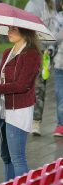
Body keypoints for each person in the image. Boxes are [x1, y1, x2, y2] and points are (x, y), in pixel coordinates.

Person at [0, 27, 41, 181]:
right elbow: (3, 83)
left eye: (13, 30)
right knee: (6, 157)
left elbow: (22, 85)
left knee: (17, 158)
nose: (8, 32)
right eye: (8, 29)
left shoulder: (31, 55)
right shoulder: (8, 52)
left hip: (19, 111)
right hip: (4, 110)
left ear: (25, 31)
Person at [25, 0, 56, 136]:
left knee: (40, 86)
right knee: (26, 85)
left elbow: (55, 28)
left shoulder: (52, 4)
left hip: (45, 53)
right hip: (30, 50)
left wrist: (50, 48)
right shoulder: (32, 5)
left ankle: (36, 121)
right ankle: (25, 118)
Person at [51, 0, 63, 136]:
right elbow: (52, 39)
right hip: (60, 64)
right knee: (60, 96)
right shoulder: (58, 18)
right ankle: (61, 125)